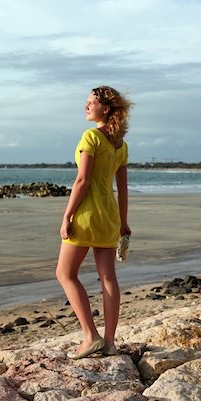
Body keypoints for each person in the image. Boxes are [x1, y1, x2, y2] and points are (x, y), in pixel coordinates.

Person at [56, 85, 132, 360]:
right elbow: (122, 189)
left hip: (87, 216)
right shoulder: (120, 144)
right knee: (108, 277)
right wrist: (123, 222)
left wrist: (67, 216)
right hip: (109, 216)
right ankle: (110, 342)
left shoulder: (91, 137)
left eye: (90, 102)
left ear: (106, 108)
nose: (85, 106)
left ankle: (90, 336)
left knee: (65, 274)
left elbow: (82, 181)